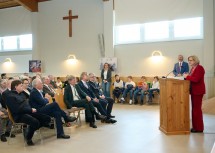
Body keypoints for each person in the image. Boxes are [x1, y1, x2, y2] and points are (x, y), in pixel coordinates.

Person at [6, 80, 51, 146]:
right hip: (18, 116)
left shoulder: (22, 94)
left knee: (46, 118)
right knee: (35, 122)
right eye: (21, 85)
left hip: (28, 111)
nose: (22, 87)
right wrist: (30, 110)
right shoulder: (10, 96)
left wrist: (31, 109)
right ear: (15, 87)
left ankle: (30, 130)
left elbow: (27, 104)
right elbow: (17, 110)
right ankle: (28, 138)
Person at [183, 55, 205, 133]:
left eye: (191, 60)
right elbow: (191, 78)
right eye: (189, 60)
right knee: (194, 109)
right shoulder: (192, 68)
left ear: (195, 60)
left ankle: (199, 128)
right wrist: (186, 77)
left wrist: (187, 76)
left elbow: (196, 79)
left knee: (197, 110)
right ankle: (195, 127)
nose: (189, 62)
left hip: (198, 91)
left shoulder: (200, 68)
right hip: (193, 91)